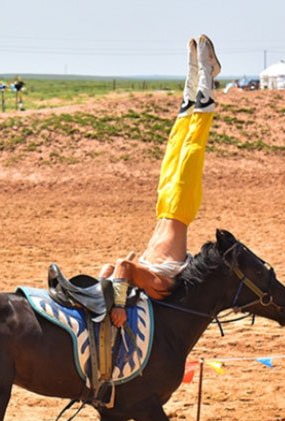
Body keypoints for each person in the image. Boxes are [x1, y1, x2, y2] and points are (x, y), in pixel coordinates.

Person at [102, 34, 221, 327]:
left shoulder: (148, 282)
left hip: (164, 208)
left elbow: (112, 267)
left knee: (174, 147)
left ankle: (192, 78)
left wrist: (106, 297)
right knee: (192, 149)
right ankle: (207, 79)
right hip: (180, 208)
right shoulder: (159, 286)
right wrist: (116, 304)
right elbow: (123, 266)